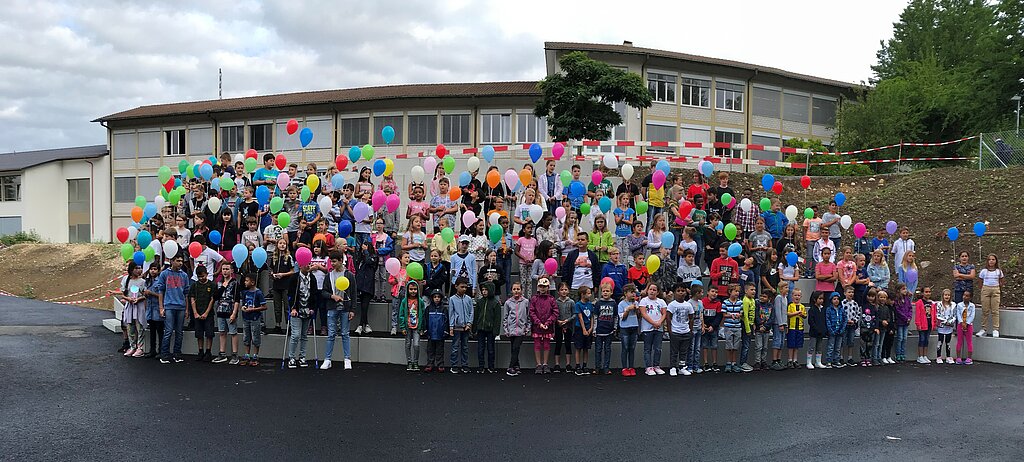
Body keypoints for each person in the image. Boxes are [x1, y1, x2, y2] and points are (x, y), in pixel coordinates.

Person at [156, 255, 191, 364]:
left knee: (179, 332)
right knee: (169, 331)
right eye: (178, 260)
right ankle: (164, 354)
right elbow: (160, 291)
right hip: (169, 305)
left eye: (181, 261)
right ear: (172, 261)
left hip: (180, 306)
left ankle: (177, 354)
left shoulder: (184, 275)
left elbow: (186, 293)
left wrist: (186, 309)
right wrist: (161, 307)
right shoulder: (165, 274)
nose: (180, 263)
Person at [321, 254, 354, 371]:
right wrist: (332, 296)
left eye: (334, 261)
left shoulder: (349, 275)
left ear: (341, 261)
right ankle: (327, 359)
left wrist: (352, 310)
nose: (332, 264)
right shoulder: (329, 275)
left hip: (345, 308)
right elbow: (323, 292)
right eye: (331, 261)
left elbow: (353, 293)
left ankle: (347, 359)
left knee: (345, 333)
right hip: (332, 307)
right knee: (331, 334)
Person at [286, 262, 316, 369]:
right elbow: (291, 294)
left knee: (304, 335)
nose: (308, 266)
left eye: (309, 264)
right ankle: (292, 357)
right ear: (300, 265)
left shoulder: (312, 278)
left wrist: (312, 307)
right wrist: (293, 308)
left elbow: (314, 294)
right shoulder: (294, 278)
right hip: (297, 310)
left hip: (307, 310)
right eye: (306, 264)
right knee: (295, 335)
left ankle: (302, 356)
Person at [211, 265, 239, 365]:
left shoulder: (235, 283)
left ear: (231, 270)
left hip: (230, 311)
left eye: (227, 269)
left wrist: (234, 313)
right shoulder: (219, 283)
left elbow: (236, 299)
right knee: (222, 332)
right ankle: (222, 353)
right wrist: (223, 286)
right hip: (220, 310)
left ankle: (235, 354)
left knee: (233, 332)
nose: (225, 271)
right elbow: (215, 296)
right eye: (223, 269)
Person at [529, 277, 558, 375]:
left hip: (547, 326)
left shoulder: (551, 299)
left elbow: (555, 312)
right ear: (538, 287)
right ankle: (538, 364)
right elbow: (532, 312)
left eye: (544, 286)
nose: (542, 288)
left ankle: (545, 364)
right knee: (537, 344)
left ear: (548, 287)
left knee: (546, 345)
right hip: (537, 326)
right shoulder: (534, 299)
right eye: (541, 286)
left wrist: (547, 323)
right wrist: (539, 323)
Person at [666, 283, 695, 377]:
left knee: (684, 351)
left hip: (685, 332)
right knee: (674, 351)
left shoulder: (688, 305)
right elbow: (668, 318)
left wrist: (690, 330)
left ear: (686, 292)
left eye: (682, 291)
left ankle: (682, 367)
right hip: (675, 332)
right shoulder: (672, 305)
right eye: (678, 291)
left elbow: (691, 318)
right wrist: (670, 331)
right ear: (674, 293)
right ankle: (673, 367)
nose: (681, 293)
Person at [237, 273, 266, 367]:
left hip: (255, 318)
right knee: (246, 337)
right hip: (246, 318)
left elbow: (264, 306)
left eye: (247, 281)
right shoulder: (245, 292)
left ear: (252, 282)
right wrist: (243, 308)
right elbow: (244, 303)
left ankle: (255, 355)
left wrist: (253, 309)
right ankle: (247, 355)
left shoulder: (258, 293)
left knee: (255, 336)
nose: (245, 282)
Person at [501, 282, 530, 376]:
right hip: (511, 329)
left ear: (521, 290)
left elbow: (528, 316)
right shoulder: (508, 303)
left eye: (518, 289)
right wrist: (506, 329)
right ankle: (516, 366)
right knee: (513, 348)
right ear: (511, 291)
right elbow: (505, 317)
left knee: (516, 347)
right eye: (514, 289)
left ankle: (510, 367)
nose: (516, 291)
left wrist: (527, 328)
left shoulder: (525, 302)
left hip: (521, 329)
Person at [119, 262, 147, 358]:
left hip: (139, 306)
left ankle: (140, 347)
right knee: (130, 326)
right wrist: (128, 299)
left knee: (140, 327)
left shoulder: (142, 281)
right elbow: (122, 293)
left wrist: (138, 299)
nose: (139, 270)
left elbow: (145, 295)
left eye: (140, 268)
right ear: (131, 269)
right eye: (136, 268)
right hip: (129, 305)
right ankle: (132, 346)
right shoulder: (126, 280)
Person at [638, 283, 667, 376]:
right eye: (650, 289)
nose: (652, 291)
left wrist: (659, 323)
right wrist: (653, 323)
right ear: (647, 290)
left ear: (658, 292)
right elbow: (644, 314)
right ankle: (648, 367)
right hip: (647, 328)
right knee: (648, 348)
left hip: (659, 328)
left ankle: (656, 365)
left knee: (658, 348)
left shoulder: (661, 301)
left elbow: (664, 314)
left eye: (654, 290)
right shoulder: (644, 301)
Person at [189, 265, 216, 362]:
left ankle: (208, 351)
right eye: (199, 277)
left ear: (207, 274)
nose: (201, 278)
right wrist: (195, 312)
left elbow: (212, 299)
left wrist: (206, 313)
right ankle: (200, 351)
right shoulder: (195, 285)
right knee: (199, 333)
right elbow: (192, 298)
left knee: (209, 333)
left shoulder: (212, 285)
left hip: (208, 313)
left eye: (203, 276)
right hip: (198, 312)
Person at [473, 281, 501, 374]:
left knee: (491, 349)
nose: (484, 292)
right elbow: (476, 315)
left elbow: (497, 318)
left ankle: (491, 366)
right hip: (481, 329)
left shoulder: (495, 303)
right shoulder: (480, 302)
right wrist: (474, 328)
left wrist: (496, 331)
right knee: (480, 349)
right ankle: (481, 366)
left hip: (490, 330)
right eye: (483, 290)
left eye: (486, 290)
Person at [448, 278, 474, 374]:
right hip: (456, 327)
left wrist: (469, 323)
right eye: (462, 287)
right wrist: (451, 327)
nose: (464, 289)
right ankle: (454, 365)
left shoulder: (468, 299)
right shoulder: (452, 299)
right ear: (456, 286)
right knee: (455, 346)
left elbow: (471, 312)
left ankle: (465, 365)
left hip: (466, 327)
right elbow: (451, 313)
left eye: (465, 287)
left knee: (465, 347)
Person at [398, 280, 425, 372]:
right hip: (407, 326)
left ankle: (416, 362)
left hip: (417, 326)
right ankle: (409, 361)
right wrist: (402, 326)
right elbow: (401, 314)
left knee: (416, 345)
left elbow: (423, 314)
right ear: (407, 290)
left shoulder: (420, 301)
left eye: (415, 289)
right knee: (408, 344)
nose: (413, 291)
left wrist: (422, 327)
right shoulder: (404, 301)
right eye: (411, 289)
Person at [976, 254, 1004, 338]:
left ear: (996, 261)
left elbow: (1002, 280)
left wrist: (999, 286)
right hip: (986, 289)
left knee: (995, 310)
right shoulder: (984, 271)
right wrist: (983, 289)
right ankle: (983, 329)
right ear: (987, 261)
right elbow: (980, 281)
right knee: (985, 310)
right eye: (989, 259)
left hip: (995, 289)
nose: (991, 261)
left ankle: (995, 329)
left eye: (993, 259)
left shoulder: (998, 271)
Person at [592, 282, 617, 375]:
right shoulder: (598, 303)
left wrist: (614, 327)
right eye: (604, 291)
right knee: (598, 349)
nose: (605, 293)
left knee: (607, 349)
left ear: (611, 292)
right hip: (599, 330)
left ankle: (606, 367)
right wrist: (594, 329)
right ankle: (597, 367)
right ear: (601, 292)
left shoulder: (613, 303)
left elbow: (615, 316)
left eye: (607, 291)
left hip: (609, 331)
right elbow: (595, 317)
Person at [422, 288, 449, 373]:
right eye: (435, 297)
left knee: (440, 350)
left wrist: (445, 331)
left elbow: (446, 320)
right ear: (432, 298)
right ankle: (430, 364)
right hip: (431, 333)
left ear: (441, 298)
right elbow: (425, 320)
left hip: (440, 334)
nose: (437, 298)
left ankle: (440, 364)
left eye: (438, 297)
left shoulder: (444, 309)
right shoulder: (428, 309)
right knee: (430, 350)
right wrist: (425, 330)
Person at [719, 284, 744, 373]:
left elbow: (741, 313)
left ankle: (734, 363)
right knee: (729, 346)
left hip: (737, 327)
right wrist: (731, 315)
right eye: (735, 291)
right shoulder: (725, 302)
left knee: (735, 347)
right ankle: (728, 363)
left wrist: (738, 315)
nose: (737, 293)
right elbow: (724, 314)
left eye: (738, 291)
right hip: (728, 327)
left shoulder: (740, 302)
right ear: (730, 292)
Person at [617, 283, 641, 376]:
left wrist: (637, 310)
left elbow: (639, 316)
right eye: (631, 292)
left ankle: (631, 367)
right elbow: (622, 317)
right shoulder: (621, 304)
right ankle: (624, 368)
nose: (633, 294)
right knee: (625, 348)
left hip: (634, 327)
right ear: (625, 293)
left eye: (634, 292)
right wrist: (627, 310)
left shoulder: (635, 303)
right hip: (625, 328)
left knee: (632, 348)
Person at [572, 286, 595, 375]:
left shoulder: (590, 304)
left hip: (588, 327)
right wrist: (584, 329)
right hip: (580, 328)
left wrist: (591, 327)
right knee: (579, 347)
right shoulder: (578, 304)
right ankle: (577, 365)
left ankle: (584, 365)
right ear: (582, 294)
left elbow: (592, 316)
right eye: (588, 293)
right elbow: (580, 317)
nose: (590, 295)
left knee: (586, 347)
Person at [553, 282, 576, 373]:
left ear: (568, 291)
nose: (563, 291)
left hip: (568, 326)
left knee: (568, 344)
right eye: (561, 290)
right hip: (558, 325)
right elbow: (554, 313)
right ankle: (557, 364)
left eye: (565, 289)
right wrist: (558, 321)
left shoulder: (571, 302)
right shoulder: (556, 302)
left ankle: (568, 364)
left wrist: (567, 320)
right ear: (558, 291)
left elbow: (574, 314)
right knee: (558, 344)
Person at [143, 265, 164, 359]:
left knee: (160, 331)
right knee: (152, 331)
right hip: (150, 309)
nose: (153, 271)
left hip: (157, 308)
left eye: (155, 269)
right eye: (151, 269)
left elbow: (161, 295)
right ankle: (152, 350)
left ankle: (161, 350)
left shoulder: (160, 281)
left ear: (159, 271)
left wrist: (151, 293)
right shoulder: (147, 281)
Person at [751, 287, 774, 371]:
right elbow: (756, 316)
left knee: (765, 347)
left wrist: (766, 326)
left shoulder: (771, 306)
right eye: (761, 296)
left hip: (767, 330)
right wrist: (760, 325)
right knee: (758, 346)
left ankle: (763, 361)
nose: (762, 298)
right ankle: (757, 362)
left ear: (769, 298)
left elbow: (772, 318)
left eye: (764, 297)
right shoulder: (757, 305)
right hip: (758, 329)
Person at [701, 286, 723, 372]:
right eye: (712, 291)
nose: (714, 293)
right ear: (708, 292)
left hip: (714, 328)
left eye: (716, 292)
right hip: (705, 327)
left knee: (714, 346)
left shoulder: (718, 303)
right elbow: (701, 314)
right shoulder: (702, 302)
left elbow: (718, 316)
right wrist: (704, 325)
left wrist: (713, 326)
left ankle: (714, 363)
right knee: (705, 345)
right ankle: (705, 363)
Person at [515, 221, 538, 299]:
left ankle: (529, 298)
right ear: (524, 230)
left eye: (531, 228)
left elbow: (536, 252)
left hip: (531, 263)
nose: (530, 230)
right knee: (523, 280)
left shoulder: (534, 240)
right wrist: (524, 258)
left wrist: (533, 258)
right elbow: (516, 251)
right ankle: (522, 297)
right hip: (522, 263)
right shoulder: (521, 240)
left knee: (529, 281)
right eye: (528, 228)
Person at [914, 286, 937, 364]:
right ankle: (920, 356)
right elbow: (918, 314)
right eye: (926, 292)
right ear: (923, 293)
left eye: (929, 292)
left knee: (926, 340)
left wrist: (934, 323)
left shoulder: (932, 303)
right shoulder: (919, 302)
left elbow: (934, 314)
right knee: (922, 339)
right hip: (922, 324)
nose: (928, 293)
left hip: (929, 324)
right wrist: (918, 324)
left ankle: (925, 355)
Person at [806, 291, 828, 369]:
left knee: (819, 347)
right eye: (819, 298)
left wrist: (824, 329)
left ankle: (818, 362)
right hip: (814, 332)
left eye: (822, 299)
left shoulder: (823, 309)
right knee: (811, 347)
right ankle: (809, 362)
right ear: (815, 299)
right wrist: (816, 329)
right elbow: (811, 321)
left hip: (821, 332)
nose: (821, 300)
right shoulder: (812, 309)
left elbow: (824, 320)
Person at [825, 292, 847, 368]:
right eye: (834, 299)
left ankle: (836, 360)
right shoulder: (829, 309)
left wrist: (842, 329)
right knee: (831, 346)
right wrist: (831, 330)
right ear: (831, 300)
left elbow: (845, 319)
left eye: (837, 299)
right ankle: (828, 361)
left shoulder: (841, 309)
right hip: (832, 331)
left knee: (838, 347)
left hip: (840, 331)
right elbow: (827, 320)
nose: (836, 301)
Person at [841, 286, 862, 366]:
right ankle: (841, 357)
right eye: (849, 292)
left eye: (852, 292)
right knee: (843, 341)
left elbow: (858, 313)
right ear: (845, 293)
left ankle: (850, 358)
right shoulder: (842, 303)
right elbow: (841, 314)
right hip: (844, 325)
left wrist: (854, 321)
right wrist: (846, 321)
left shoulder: (855, 304)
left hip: (852, 325)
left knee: (851, 341)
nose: (851, 294)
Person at [770, 282, 789, 370]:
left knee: (781, 343)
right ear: (780, 289)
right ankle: (774, 361)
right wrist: (780, 323)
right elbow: (777, 311)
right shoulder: (778, 298)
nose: (787, 289)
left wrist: (786, 325)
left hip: (784, 323)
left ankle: (779, 359)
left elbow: (785, 312)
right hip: (778, 323)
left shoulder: (785, 298)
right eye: (785, 287)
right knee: (777, 341)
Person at [785, 289, 806, 368]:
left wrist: (802, 315)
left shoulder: (802, 306)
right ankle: (790, 360)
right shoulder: (790, 305)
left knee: (797, 345)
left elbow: (805, 315)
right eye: (795, 295)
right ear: (792, 296)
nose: (797, 297)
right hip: (792, 328)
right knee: (791, 345)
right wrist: (796, 313)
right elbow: (788, 314)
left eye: (798, 295)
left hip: (799, 328)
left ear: (801, 296)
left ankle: (795, 360)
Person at [892, 283, 912, 363]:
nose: (905, 290)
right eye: (903, 289)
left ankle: (903, 353)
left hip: (906, 322)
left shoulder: (907, 299)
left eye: (905, 289)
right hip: (900, 321)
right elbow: (898, 311)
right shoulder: (897, 300)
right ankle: (898, 354)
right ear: (898, 290)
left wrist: (909, 317)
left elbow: (910, 308)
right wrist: (905, 318)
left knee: (905, 338)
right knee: (900, 338)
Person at [935, 289, 956, 364]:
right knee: (940, 341)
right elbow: (937, 315)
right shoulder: (939, 304)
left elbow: (954, 315)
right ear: (943, 296)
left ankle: (948, 356)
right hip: (942, 326)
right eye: (945, 295)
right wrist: (944, 321)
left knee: (948, 342)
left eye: (948, 295)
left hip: (949, 326)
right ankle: (938, 356)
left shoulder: (953, 305)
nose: (947, 296)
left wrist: (950, 321)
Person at [955, 290, 976, 365]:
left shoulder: (972, 306)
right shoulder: (959, 305)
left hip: (969, 325)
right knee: (959, 341)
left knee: (969, 341)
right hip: (960, 324)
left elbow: (972, 315)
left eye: (967, 296)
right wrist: (961, 322)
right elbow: (958, 314)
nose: (965, 297)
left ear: (970, 297)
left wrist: (967, 323)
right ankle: (958, 357)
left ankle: (969, 358)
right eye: (964, 295)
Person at [802, 206, 822, 277]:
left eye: (816, 211)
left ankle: (813, 271)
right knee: (809, 256)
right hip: (809, 240)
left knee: (815, 256)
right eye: (813, 211)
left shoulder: (820, 220)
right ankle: (807, 270)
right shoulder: (807, 220)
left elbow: (821, 230)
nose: (814, 213)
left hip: (817, 240)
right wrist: (804, 241)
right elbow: (804, 230)